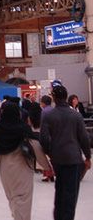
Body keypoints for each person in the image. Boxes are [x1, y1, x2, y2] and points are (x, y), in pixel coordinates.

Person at [0, 102, 52, 220]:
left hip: (6, 171)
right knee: (23, 199)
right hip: (22, 169)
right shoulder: (23, 129)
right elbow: (35, 145)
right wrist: (47, 166)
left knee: (12, 199)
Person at [40, 85, 91, 220]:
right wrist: (88, 156)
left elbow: (44, 138)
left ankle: (58, 216)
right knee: (71, 193)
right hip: (74, 158)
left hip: (57, 158)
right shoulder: (76, 115)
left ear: (54, 98)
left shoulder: (49, 115)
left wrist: (49, 153)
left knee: (60, 190)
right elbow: (84, 138)